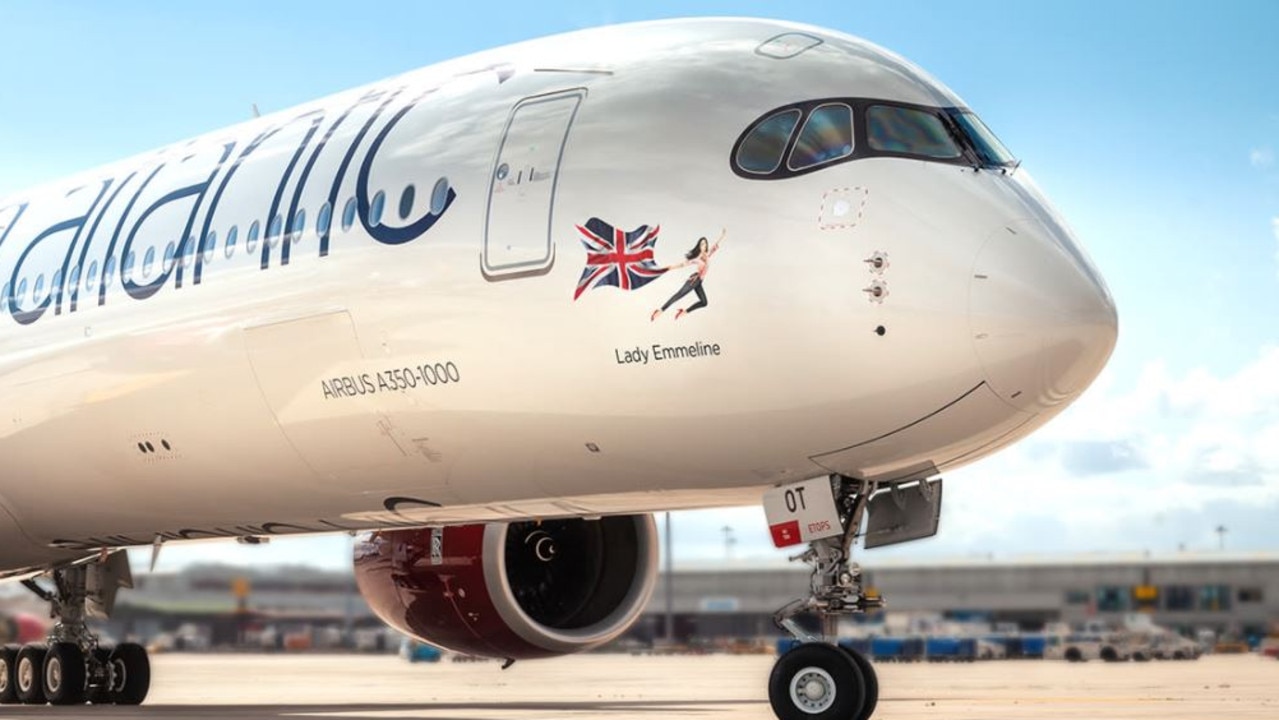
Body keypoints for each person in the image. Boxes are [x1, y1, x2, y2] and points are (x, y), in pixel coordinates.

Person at [651, 228, 726, 321]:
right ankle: (659, 311)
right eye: (702, 244)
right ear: (699, 246)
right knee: (679, 295)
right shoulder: (697, 258)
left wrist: (722, 235)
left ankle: (684, 312)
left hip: (699, 282)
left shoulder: (707, 255)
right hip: (694, 280)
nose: (704, 245)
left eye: (705, 243)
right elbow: (683, 264)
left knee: (704, 302)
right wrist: (670, 267)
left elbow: (715, 246)